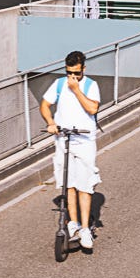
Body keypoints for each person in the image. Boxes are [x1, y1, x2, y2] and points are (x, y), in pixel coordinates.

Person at [39, 50, 101, 250]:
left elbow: (92, 109)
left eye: (76, 73)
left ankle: (85, 228)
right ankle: (73, 223)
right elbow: (45, 105)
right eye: (69, 73)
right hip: (63, 139)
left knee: (84, 184)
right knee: (69, 184)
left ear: (84, 68)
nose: (72, 77)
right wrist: (50, 122)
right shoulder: (58, 84)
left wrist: (76, 89)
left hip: (84, 140)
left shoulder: (91, 85)